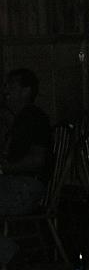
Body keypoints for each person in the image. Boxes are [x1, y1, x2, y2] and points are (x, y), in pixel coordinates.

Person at [0, 68, 51, 215]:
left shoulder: (34, 118)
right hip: (15, 183)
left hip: (26, 187)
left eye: (11, 85)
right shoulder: (20, 118)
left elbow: (37, 160)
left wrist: (4, 169)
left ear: (26, 91)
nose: (5, 90)